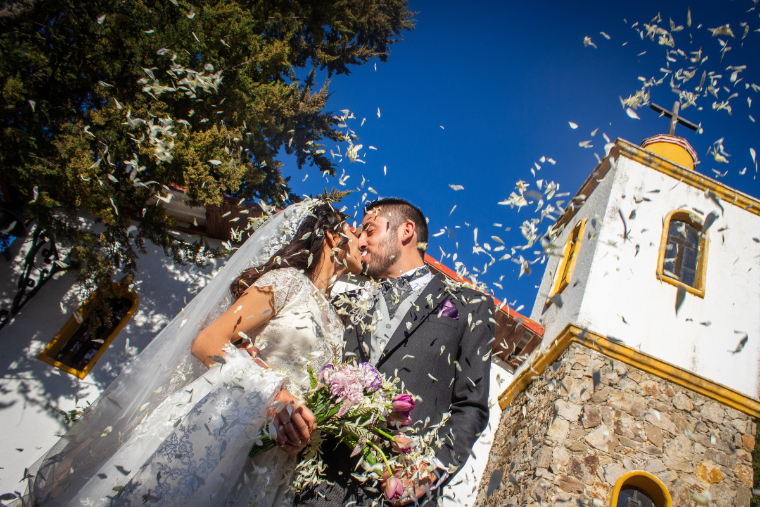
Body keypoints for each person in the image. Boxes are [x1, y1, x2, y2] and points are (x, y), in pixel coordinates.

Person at [23, 199, 363, 507]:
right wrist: (275, 397)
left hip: (267, 463)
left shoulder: (338, 323)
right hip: (218, 430)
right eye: (354, 231)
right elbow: (208, 342)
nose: (362, 240)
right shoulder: (287, 282)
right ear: (331, 237)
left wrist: (298, 434)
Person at [293, 198, 495, 507]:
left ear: (406, 231)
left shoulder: (470, 305)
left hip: (401, 490)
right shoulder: (350, 302)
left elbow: (471, 405)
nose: (360, 242)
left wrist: (430, 471)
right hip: (320, 487)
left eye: (369, 230)